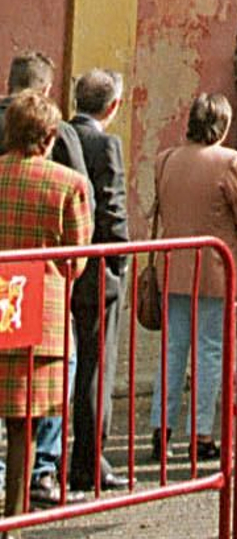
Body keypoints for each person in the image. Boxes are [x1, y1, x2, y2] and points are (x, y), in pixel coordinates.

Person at [0, 92, 91, 539]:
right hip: (39, 312)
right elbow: (76, 259)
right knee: (25, 427)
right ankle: (10, 528)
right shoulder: (67, 184)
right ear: (51, 136)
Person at [148, 93, 237, 466]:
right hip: (214, 266)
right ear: (222, 125)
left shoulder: (165, 160)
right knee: (210, 350)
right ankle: (201, 433)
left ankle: (161, 429)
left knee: (173, 348)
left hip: (172, 264)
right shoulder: (230, 161)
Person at [65, 69, 130, 494]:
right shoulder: (105, 144)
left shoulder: (59, 135)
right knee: (95, 365)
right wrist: (120, 262)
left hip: (61, 268)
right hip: (97, 270)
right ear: (113, 106)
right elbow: (112, 208)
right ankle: (89, 459)